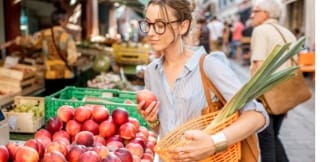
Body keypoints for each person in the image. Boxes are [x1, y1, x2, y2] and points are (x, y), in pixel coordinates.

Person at [136, 0, 269, 161]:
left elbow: (257, 115)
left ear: (183, 26)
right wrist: (153, 120)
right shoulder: (151, 72)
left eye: (159, 24)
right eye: (148, 24)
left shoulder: (208, 65)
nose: (150, 32)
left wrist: (214, 142)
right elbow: (164, 130)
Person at [250, 0, 297, 161]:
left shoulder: (261, 30)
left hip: (266, 94)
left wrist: (250, 98)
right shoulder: (287, 32)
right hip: (285, 93)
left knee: (266, 140)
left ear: (265, 13)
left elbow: (259, 66)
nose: (252, 15)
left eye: (255, 11)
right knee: (273, 136)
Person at [5, 8, 80, 96]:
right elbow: (72, 59)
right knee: (65, 103)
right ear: (61, 21)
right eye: (66, 20)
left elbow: (31, 42)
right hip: (66, 76)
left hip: (50, 76)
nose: (67, 22)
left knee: (52, 101)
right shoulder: (67, 37)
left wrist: (15, 40)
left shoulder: (44, 34)